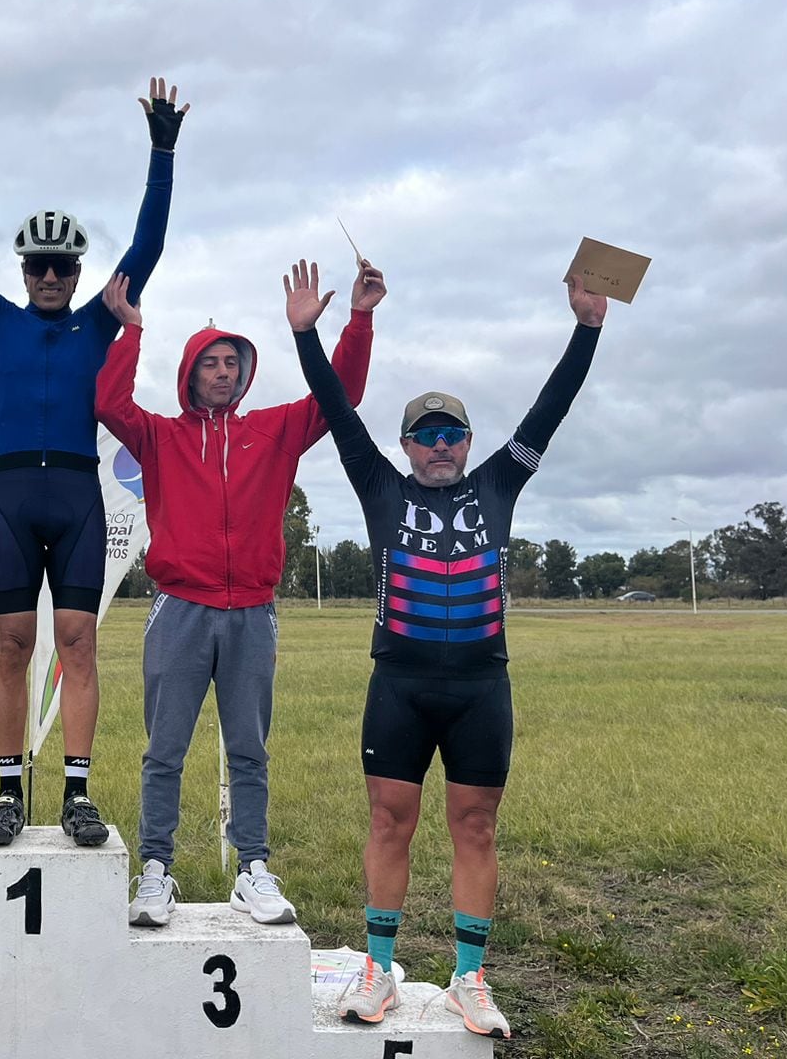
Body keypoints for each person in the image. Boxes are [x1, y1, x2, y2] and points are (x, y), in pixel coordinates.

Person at [290, 258, 607, 1039]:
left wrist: (588, 327)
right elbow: (334, 405)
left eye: (451, 432)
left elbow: (549, 409)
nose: (438, 444)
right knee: (389, 821)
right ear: (404, 444)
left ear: (468, 442)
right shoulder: (377, 484)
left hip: (479, 687)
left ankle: (470, 980)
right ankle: (378, 971)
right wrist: (307, 335)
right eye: (424, 435)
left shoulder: (501, 481)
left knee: (476, 826)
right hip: (398, 682)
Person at [0, 76, 190, 847]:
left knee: (79, 643)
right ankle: (9, 791)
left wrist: (162, 150)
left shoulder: (98, 322)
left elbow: (147, 246)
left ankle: (77, 794)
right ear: (22, 271)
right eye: (38, 266)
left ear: (79, 274)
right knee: (11, 644)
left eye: (62, 267)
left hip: (77, 492)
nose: (50, 277)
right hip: (11, 492)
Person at [96, 258, 385, 928]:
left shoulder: (276, 431)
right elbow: (108, 405)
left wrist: (356, 320)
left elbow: (341, 397)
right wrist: (130, 330)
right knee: (164, 749)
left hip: (252, 611)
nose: (224, 372)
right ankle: (156, 872)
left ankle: (252, 867)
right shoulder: (161, 437)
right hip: (181, 610)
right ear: (191, 375)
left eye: (233, 363)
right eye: (212, 363)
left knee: (249, 750)